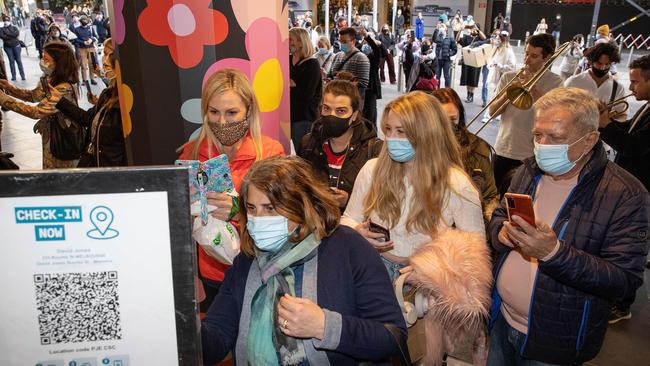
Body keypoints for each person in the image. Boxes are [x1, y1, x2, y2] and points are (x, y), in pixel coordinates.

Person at [487, 87, 649, 365]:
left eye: (556, 138)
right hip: (501, 321)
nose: (543, 146)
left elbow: (624, 281)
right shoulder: (528, 171)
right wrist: (500, 233)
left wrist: (553, 253)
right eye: (538, 135)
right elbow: (500, 215)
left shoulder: (626, 195)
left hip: (554, 341)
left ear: (590, 141)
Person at [201, 156, 407, 365]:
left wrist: (323, 326)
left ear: (301, 206)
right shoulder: (247, 260)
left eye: (270, 208)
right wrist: (183, 321)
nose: (258, 219)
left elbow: (392, 337)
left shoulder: (347, 248)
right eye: (252, 208)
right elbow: (217, 339)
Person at [341, 91, 485, 281]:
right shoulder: (372, 170)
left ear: (427, 133)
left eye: (401, 131)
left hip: (426, 280)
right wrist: (355, 231)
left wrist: (435, 271)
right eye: (388, 129)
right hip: (372, 268)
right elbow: (349, 217)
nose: (391, 138)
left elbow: (475, 250)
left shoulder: (457, 185)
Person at [177, 68, 285, 311]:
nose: (222, 122)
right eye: (214, 112)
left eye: (232, 112)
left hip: (258, 267)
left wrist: (239, 210)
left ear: (249, 111)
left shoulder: (270, 153)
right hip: (212, 270)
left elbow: (285, 217)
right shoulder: (193, 154)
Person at [598, 55, 650, 322]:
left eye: (636, 82)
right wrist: (608, 122)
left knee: (631, 249)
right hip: (634, 185)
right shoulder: (646, 106)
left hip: (642, 188)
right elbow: (630, 132)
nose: (631, 88)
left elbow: (635, 146)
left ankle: (623, 305)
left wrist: (606, 126)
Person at [489, 33, 563, 193]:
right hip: (503, 149)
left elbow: (554, 117)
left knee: (523, 202)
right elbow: (492, 112)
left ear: (547, 57)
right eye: (526, 53)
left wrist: (533, 87)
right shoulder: (509, 76)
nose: (527, 60)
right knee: (495, 199)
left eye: (534, 56)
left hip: (533, 155)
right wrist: (508, 91)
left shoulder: (556, 82)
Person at [299, 78, 382, 211]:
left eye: (341, 111)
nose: (332, 116)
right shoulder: (308, 144)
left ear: (354, 115)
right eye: (326, 109)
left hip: (355, 228)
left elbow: (384, 201)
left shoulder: (374, 150)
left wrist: (350, 201)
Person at [0, 43, 80, 169]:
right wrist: (10, 88)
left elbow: (35, 112)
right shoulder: (50, 78)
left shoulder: (64, 88)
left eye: (46, 59)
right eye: (42, 57)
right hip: (51, 134)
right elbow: (33, 95)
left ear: (58, 63)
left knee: (61, 173)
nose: (42, 61)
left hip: (63, 137)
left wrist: (3, 99)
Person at [54, 39, 126, 167]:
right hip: (96, 163)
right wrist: (58, 100)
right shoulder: (107, 94)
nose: (104, 61)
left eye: (108, 55)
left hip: (112, 171)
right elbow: (87, 118)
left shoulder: (125, 103)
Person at [433, 88, 498, 220]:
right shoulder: (417, 148)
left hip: (468, 229)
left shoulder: (478, 149)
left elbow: (489, 198)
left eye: (452, 119)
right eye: (441, 120)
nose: (447, 126)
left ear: (460, 117)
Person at [565, 42, 626, 123]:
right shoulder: (573, 82)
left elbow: (622, 115)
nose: (602, 67)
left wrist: (608, 122)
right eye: (599, 63)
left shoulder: (618, 88)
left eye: (607, 64)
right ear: (590, 61)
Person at [289, 27, 322, 150]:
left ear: (301, 42)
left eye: (291, 39)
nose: (288, 43)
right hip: (288, 116)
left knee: (303, 152)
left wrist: (292, 86)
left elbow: (307, 95)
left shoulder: (311, 64)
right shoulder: (287, 59)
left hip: (304, 117)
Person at [327, 27, 370, 111]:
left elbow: (363, 83)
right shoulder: (337, 55)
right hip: (335, 101)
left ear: (353, 41)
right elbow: (331, 74)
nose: (341, 44)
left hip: (351, 103)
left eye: (344, 42)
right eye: (340, 41)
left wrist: (342, 82)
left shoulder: (361, 58)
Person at [457, 24, 487, 103]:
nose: (472, 30)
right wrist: (461, 30)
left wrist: (478, 30)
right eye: (472, 28)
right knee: (467, 77)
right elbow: (457, 39)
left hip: (476, 61)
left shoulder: (479, 38)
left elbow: (485, 38)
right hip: (467, 60)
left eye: (474, 29)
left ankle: (471, 95)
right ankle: (468, 95)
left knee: (473, 78)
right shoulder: (467, 37)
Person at [361, 32, 383, 123]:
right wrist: (362, 42)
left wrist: (368, 38)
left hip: (371, 89)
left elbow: (378, 51)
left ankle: (372, 133)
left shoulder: (374, 58)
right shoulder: (359, 56)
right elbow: (356, 48)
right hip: (361, 89)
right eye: (365, 44)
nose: (366, 46)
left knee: (371, 114)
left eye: (368, 44)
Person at [72, 15, 99, 86]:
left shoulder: (90, 28)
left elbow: (96, 37)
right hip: (82, 48)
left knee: (91, 64)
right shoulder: (77, 29)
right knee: (83, 65)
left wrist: (91, 40)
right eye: (82, 21)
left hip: (91, 48)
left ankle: (92, 79)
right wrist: (83, 42)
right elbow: (75, 39)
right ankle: (84, 80)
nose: (83, 22)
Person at [487, 31, 516, 95]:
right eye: (496, 39)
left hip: (504, 81)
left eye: (498, 39)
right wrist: (491, 65)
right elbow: (490, 62)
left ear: (502, 40)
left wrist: (500, 66)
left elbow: (511, 67)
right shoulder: (496, 50)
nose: (496, 41)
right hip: (496, 81)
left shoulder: (508, 52)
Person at [0, 15, 25, 81]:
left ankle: (22, 75)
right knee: (11, 61)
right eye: (4, 20)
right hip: (8, 47)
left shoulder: (14, 27)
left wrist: (7, 34)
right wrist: (12, 35)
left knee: (19, 61)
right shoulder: (1, 29)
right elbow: (2, 37)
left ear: (9, 21)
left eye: (7, 20)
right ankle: (13, 76)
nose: (6, 22)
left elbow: (16, 34)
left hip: (16, 46)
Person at [434, 22, 457, 88]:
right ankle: (437, 90)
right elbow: (434, 39)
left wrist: (449, 54)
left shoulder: (450, 39)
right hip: (438, 59)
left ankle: (447, 90)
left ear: (446, 29)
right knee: (437, 75)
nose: (442, 28)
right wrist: (436, 30)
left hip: (446, 60)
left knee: (446, 76)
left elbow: (455, 50)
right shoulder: (439, 37)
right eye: (441, 27)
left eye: (443, 27)